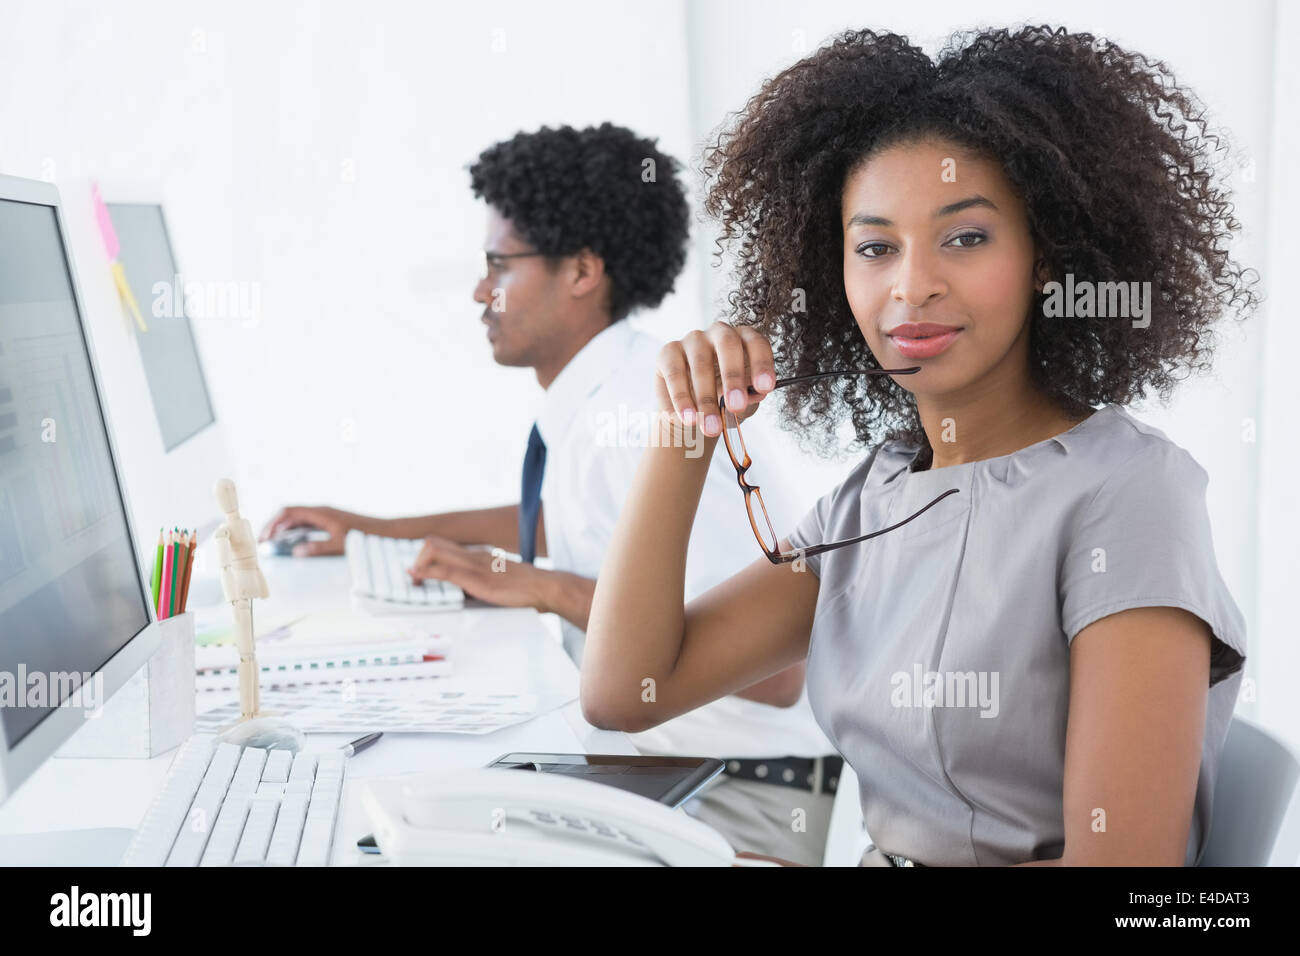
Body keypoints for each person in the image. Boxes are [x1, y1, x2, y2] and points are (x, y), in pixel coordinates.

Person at [581, 26, 1258, 867]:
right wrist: (686, 433)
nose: (912, 285)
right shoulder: (876, 495)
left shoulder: (1129, 493)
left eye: (965, 237)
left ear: (1047, 257)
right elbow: (626, 692)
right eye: (875, 248)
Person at [260, 123, 840, 865]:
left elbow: (777, 674)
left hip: (744, 797)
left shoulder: (637, 415)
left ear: (582, 271)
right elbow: (559, 521)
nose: (480, 290)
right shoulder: (601, 396)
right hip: (666, 773)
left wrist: (539, 588)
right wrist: (377, 528)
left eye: (500, 265)